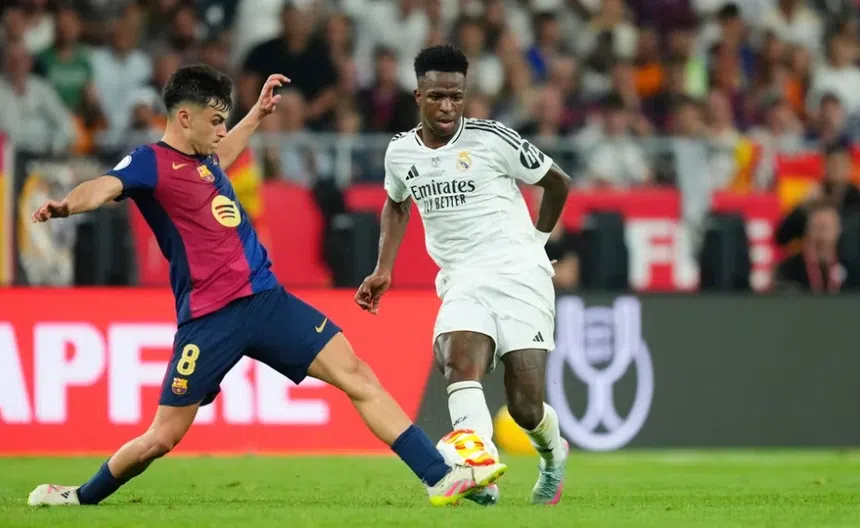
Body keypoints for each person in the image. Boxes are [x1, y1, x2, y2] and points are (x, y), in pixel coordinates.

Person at [26, 64, 506, 508]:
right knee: (161, 438)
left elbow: (225, 152)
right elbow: (105, 186)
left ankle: (439, 477)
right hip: (210, 320)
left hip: (267, 301)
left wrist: (256, 114)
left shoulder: (206, 159)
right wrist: (68, 205)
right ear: (185, 117)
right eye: (216, 121)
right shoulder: (150, 163)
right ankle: (80, 496)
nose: (221, 130)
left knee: (357, 374)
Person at [355, 45, 571, 506]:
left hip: (519, 275)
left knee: (525, 406)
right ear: (419, 96)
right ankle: (479, 471)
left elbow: (558, 182)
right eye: (437, 96)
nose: (448, 106)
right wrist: (383, 268)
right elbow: (397, 203)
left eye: (456, 96)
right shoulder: (400, 152)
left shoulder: (493, 139)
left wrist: (536, 241)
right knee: (456, 359)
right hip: (461, 278)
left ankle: (553, 459)